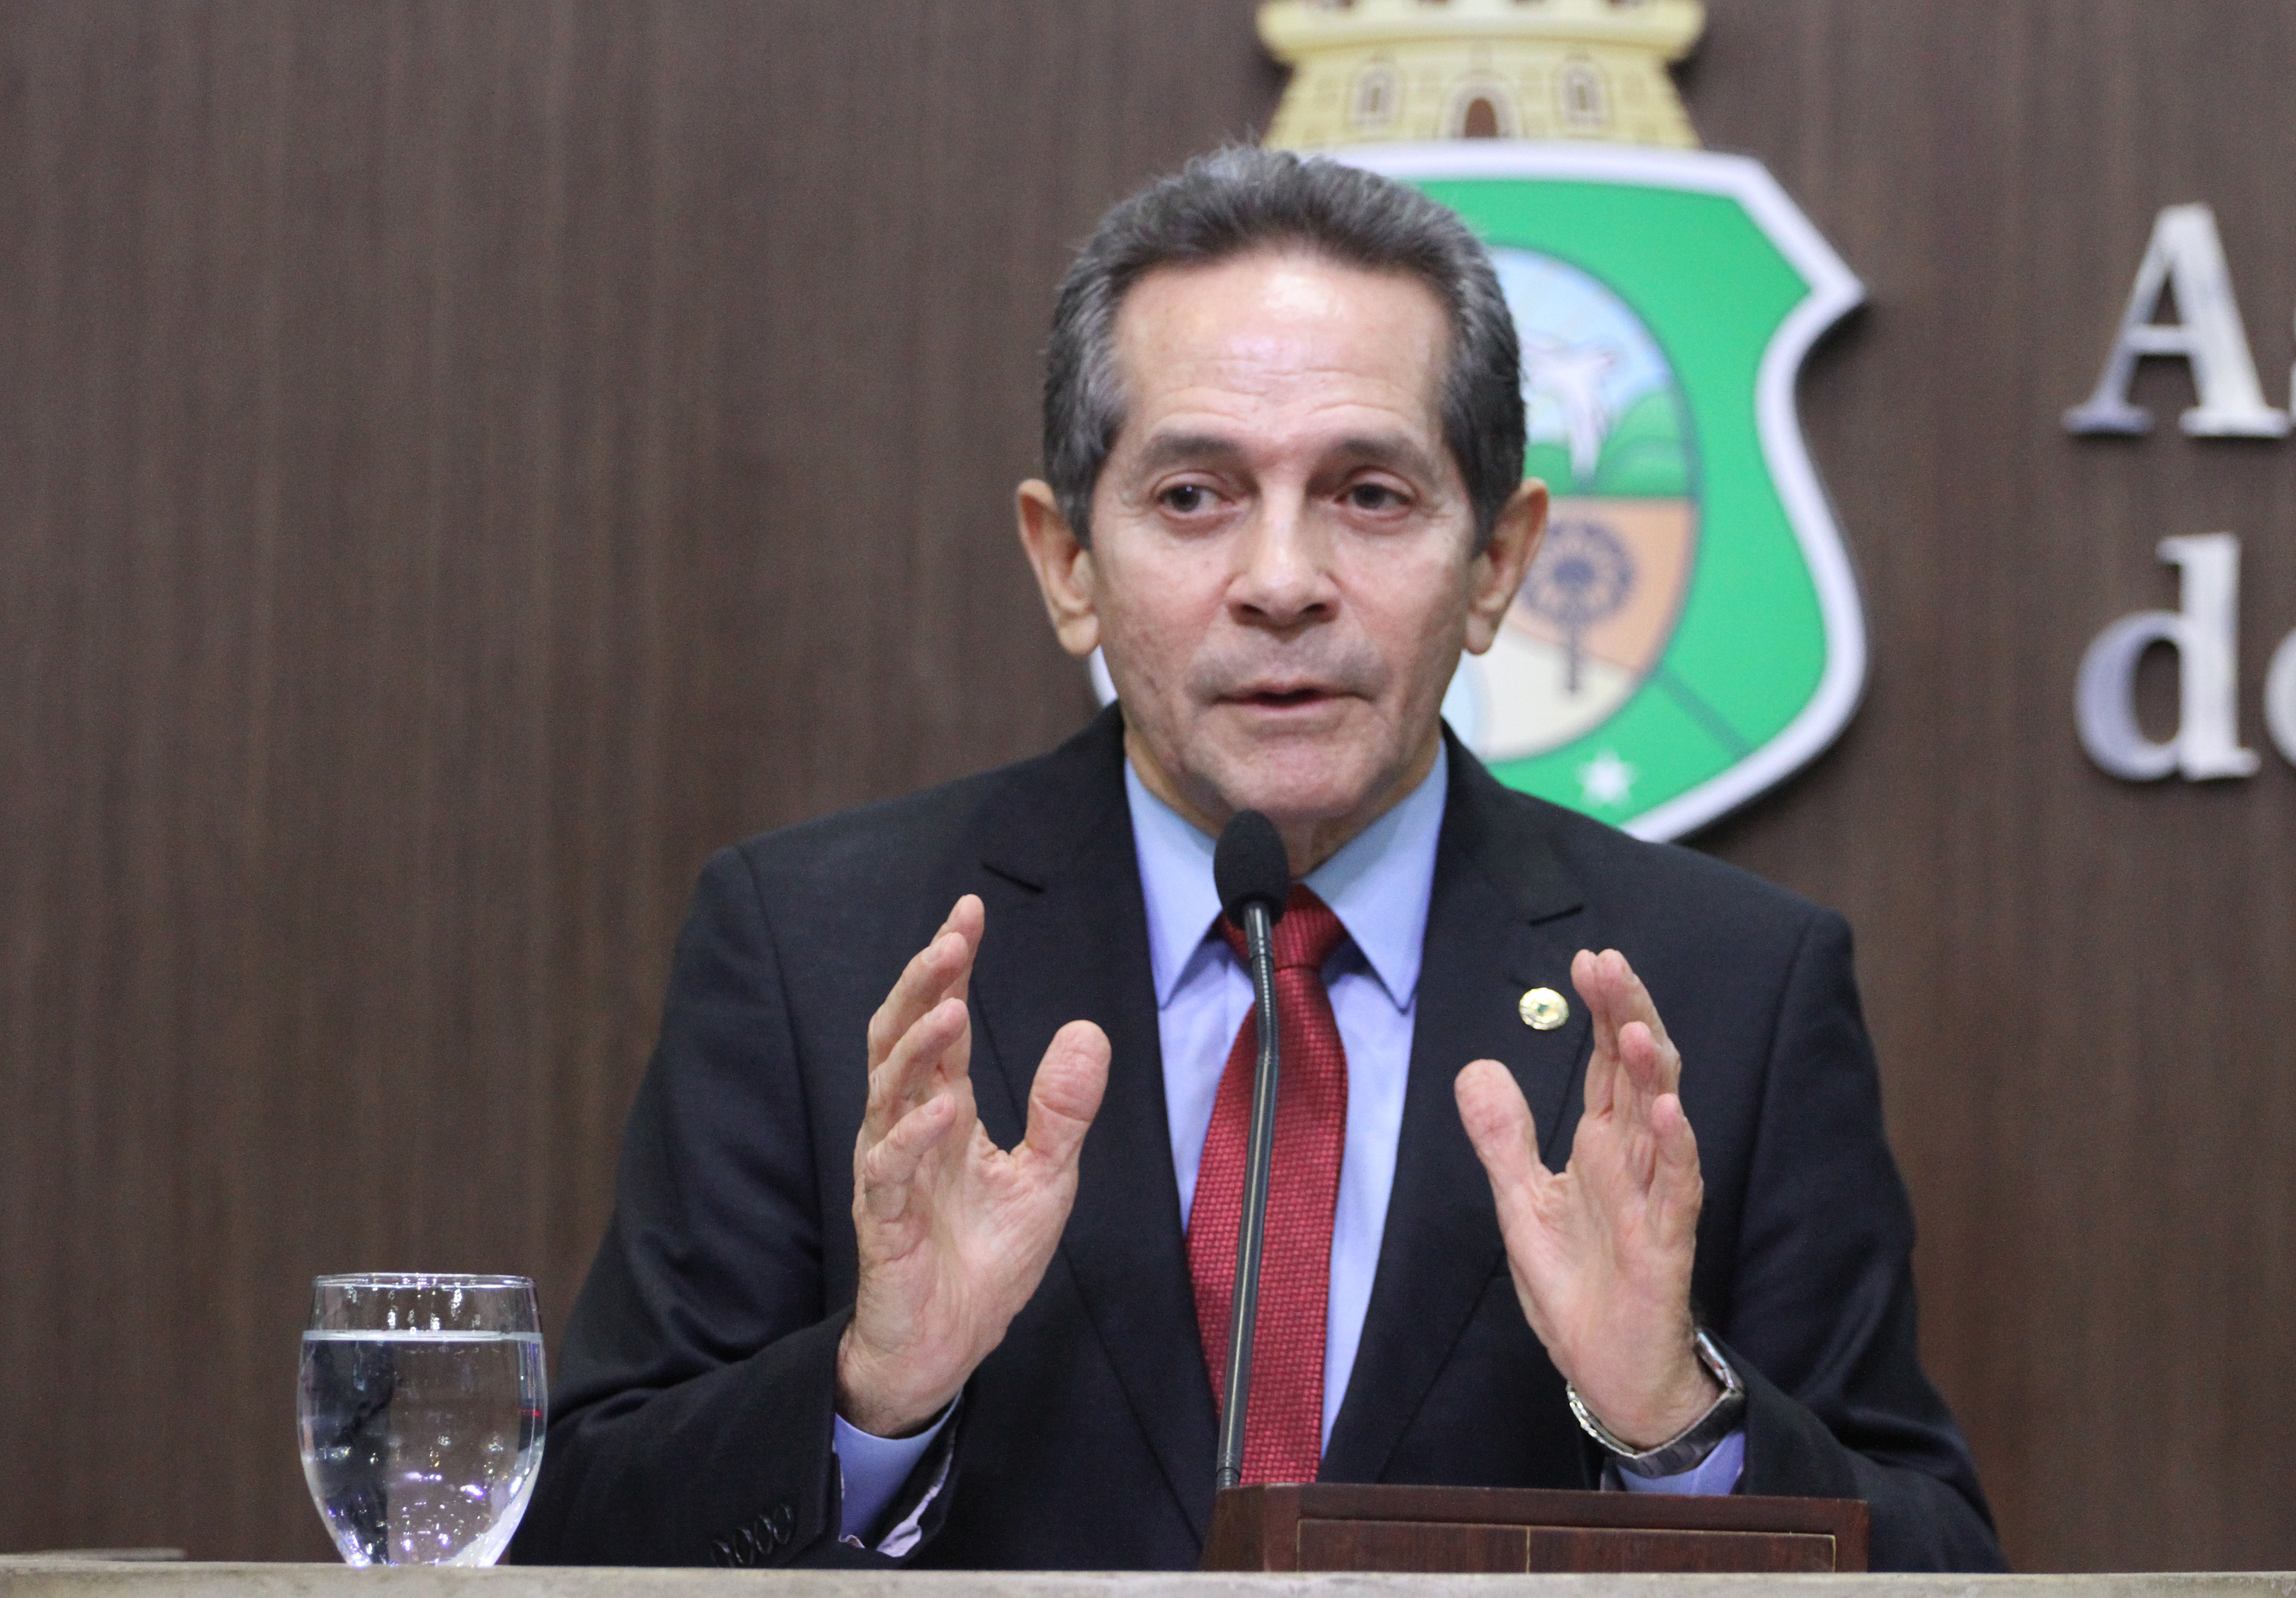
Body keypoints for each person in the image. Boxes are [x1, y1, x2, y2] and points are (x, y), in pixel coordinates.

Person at [511, 148, 2004, 1573]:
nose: (1283, 582)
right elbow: (573, 1533)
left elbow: (1942, 1562)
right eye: (1193, 497)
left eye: (1370, 495)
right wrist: (873, 1394)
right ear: (1067, 563)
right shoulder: (818, 949)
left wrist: (1675, 1424)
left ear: (1497, 561)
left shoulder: (1729, 990)